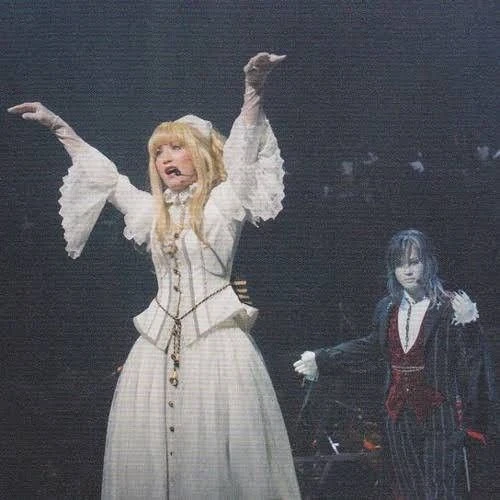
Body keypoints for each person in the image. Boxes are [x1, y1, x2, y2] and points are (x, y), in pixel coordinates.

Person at [9, 52, 301, 500]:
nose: (166, 158)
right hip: (156, 349)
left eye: (176, 148)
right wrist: (59, 127)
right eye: (159, 151)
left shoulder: (224, 203)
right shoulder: (152, 213)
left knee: (213, 456)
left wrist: (253, 90)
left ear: (200, 155)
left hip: (217, 348)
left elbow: (244, 149)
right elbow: (109, 181)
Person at [294, 229, 496, 499]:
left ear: (428, 262)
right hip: (398, 416)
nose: (408, 271)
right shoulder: (387, 308)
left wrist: (470, 326)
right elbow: (370, 348)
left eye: (414, 262)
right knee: (409, 490)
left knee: (440, 492)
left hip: (440, 417)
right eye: (400, 264)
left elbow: (474, 363)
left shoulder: (449, 307)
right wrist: (323, 358)